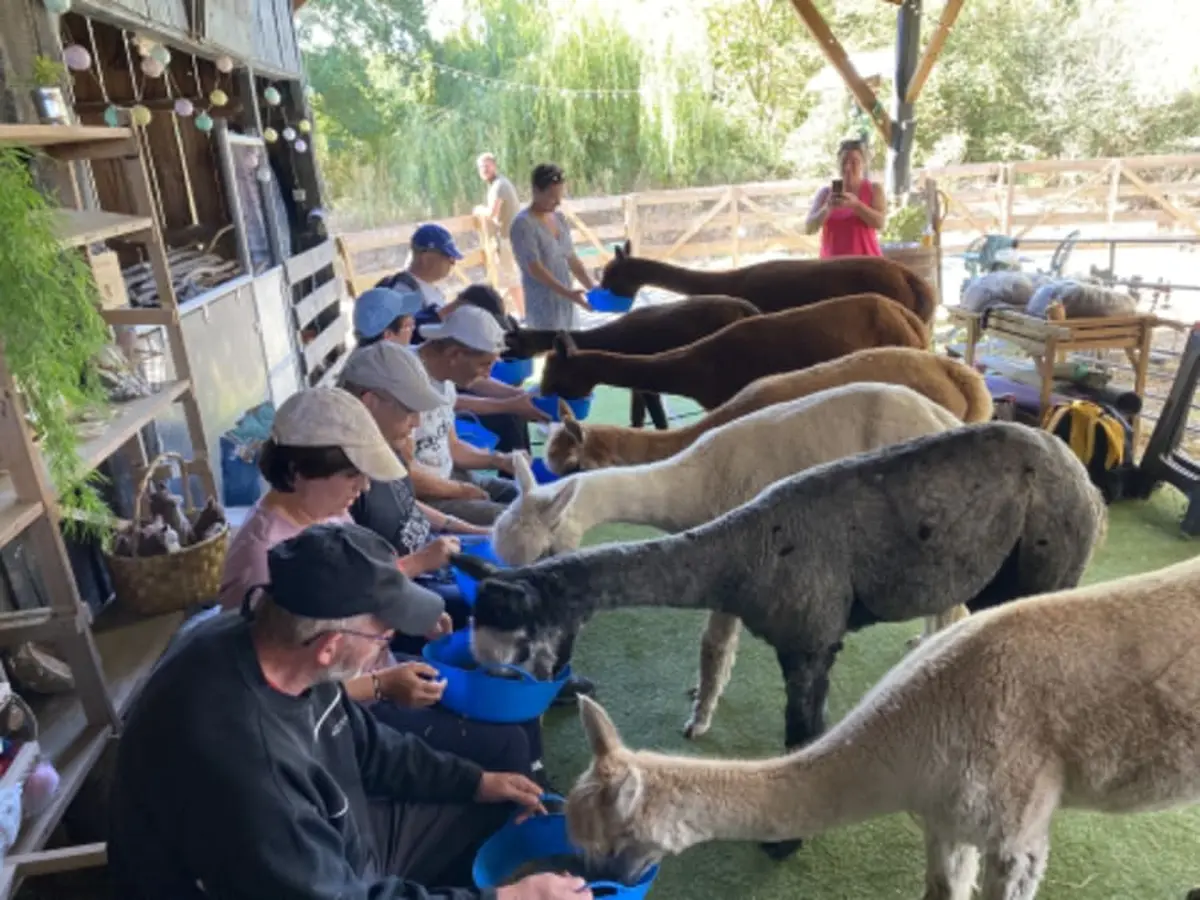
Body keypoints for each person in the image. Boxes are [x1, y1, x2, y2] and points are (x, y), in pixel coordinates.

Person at [109, 522, 590, 900]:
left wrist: (477, 781)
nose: (388, 646)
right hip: (287, 877)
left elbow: (371, 745)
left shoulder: (275, 642)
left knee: (492, 801)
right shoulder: (250, 766)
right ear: (330, 645)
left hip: (328, 842)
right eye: (383, 637)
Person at [218, 387, 545, 778]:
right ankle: (511, 816)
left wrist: (410, 611)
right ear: (297, 472)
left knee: (509, 698)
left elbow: (367, 587)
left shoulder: (326, 511)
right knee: (507, 742)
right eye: (351, 475)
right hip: (341, 716)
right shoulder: (263, 563)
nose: (365, 488)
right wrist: (380, 687)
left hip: (377, 666)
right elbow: (278, 698)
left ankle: (529, 793)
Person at [508, 163, 595, 331]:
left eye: (560, 195)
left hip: (566, 303)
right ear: (535, 191)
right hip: (543, 305)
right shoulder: (523, 224)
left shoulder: (559, 219)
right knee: (551, 349)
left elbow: (572, 259)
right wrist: (568, 293)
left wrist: (592, 288)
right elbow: (535, 268)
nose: (558, 202)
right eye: (552, 197)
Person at [804, 138, 888, 258]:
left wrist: (856, 206)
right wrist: (827, 208)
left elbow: (880, 223)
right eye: (844, 162)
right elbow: (809, 228)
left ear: (863, 164)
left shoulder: (874, 190)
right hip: (832, 267)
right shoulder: (825, 193)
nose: (848, 167)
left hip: (867, 264)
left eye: (854, 162)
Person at [474, 152, 524, 318]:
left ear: (494, 165)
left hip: (507, 238)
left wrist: (479, 210)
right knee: (511, 277)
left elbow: (493, 214)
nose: (484, 170)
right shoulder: (499, 184)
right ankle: (519, 313)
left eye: (487, 166)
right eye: (481, 167)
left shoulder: (499, 186)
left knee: (511, 279)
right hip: (511, 236)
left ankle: (523, 315)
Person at [353, 286, 425, 346]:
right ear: (388, 335)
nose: (413, 328)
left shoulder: (365, 357)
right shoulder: (394, 362)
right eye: (408, 325)